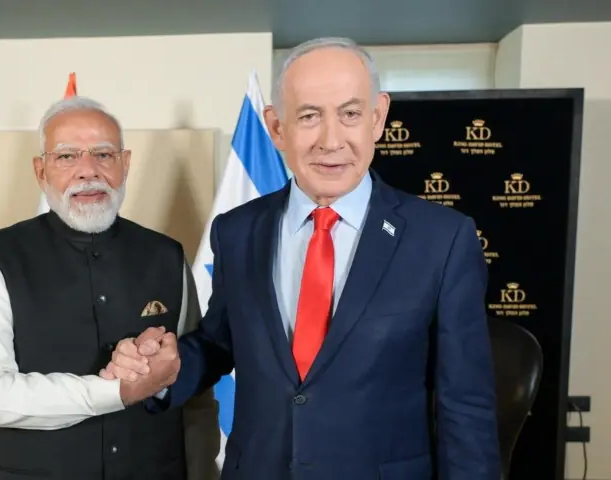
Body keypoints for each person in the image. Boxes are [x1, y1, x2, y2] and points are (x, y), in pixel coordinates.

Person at [101, 37, 502, 479]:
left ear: (377, 117)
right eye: (309, 116)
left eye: (350, 114)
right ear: (276, 127)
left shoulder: (441, 239)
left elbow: (466, 405)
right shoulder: (237, 231)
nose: (331, 141)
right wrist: (165, 369)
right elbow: (220, 343)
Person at [0, 96, 219, 480]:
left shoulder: (166, 255)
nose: (88, 172)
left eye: (103, 154)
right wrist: (116, 392)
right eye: (66, 156)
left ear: (125, 164)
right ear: (41, 171)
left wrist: (160, 371)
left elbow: (193, 391)